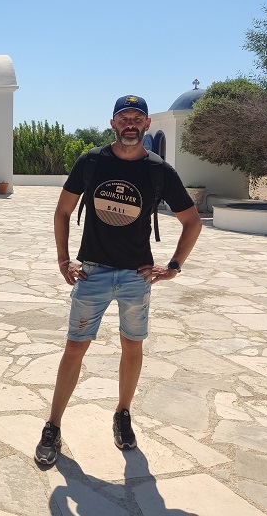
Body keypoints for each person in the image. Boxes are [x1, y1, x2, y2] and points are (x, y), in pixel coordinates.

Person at [34, 94, 202, 465]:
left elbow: (192, 221)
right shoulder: (92, 162)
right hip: (92, 272)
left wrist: (173, 266)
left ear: (147, 125)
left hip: (136, 278)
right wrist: (63, 259)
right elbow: (62, 212)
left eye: (136, 118)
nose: (130, 124)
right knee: (74, 348)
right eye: (123, 118)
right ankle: (53, 425)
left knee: (132, 346)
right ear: (113, 123)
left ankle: (122, 414)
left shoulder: (159, 170)